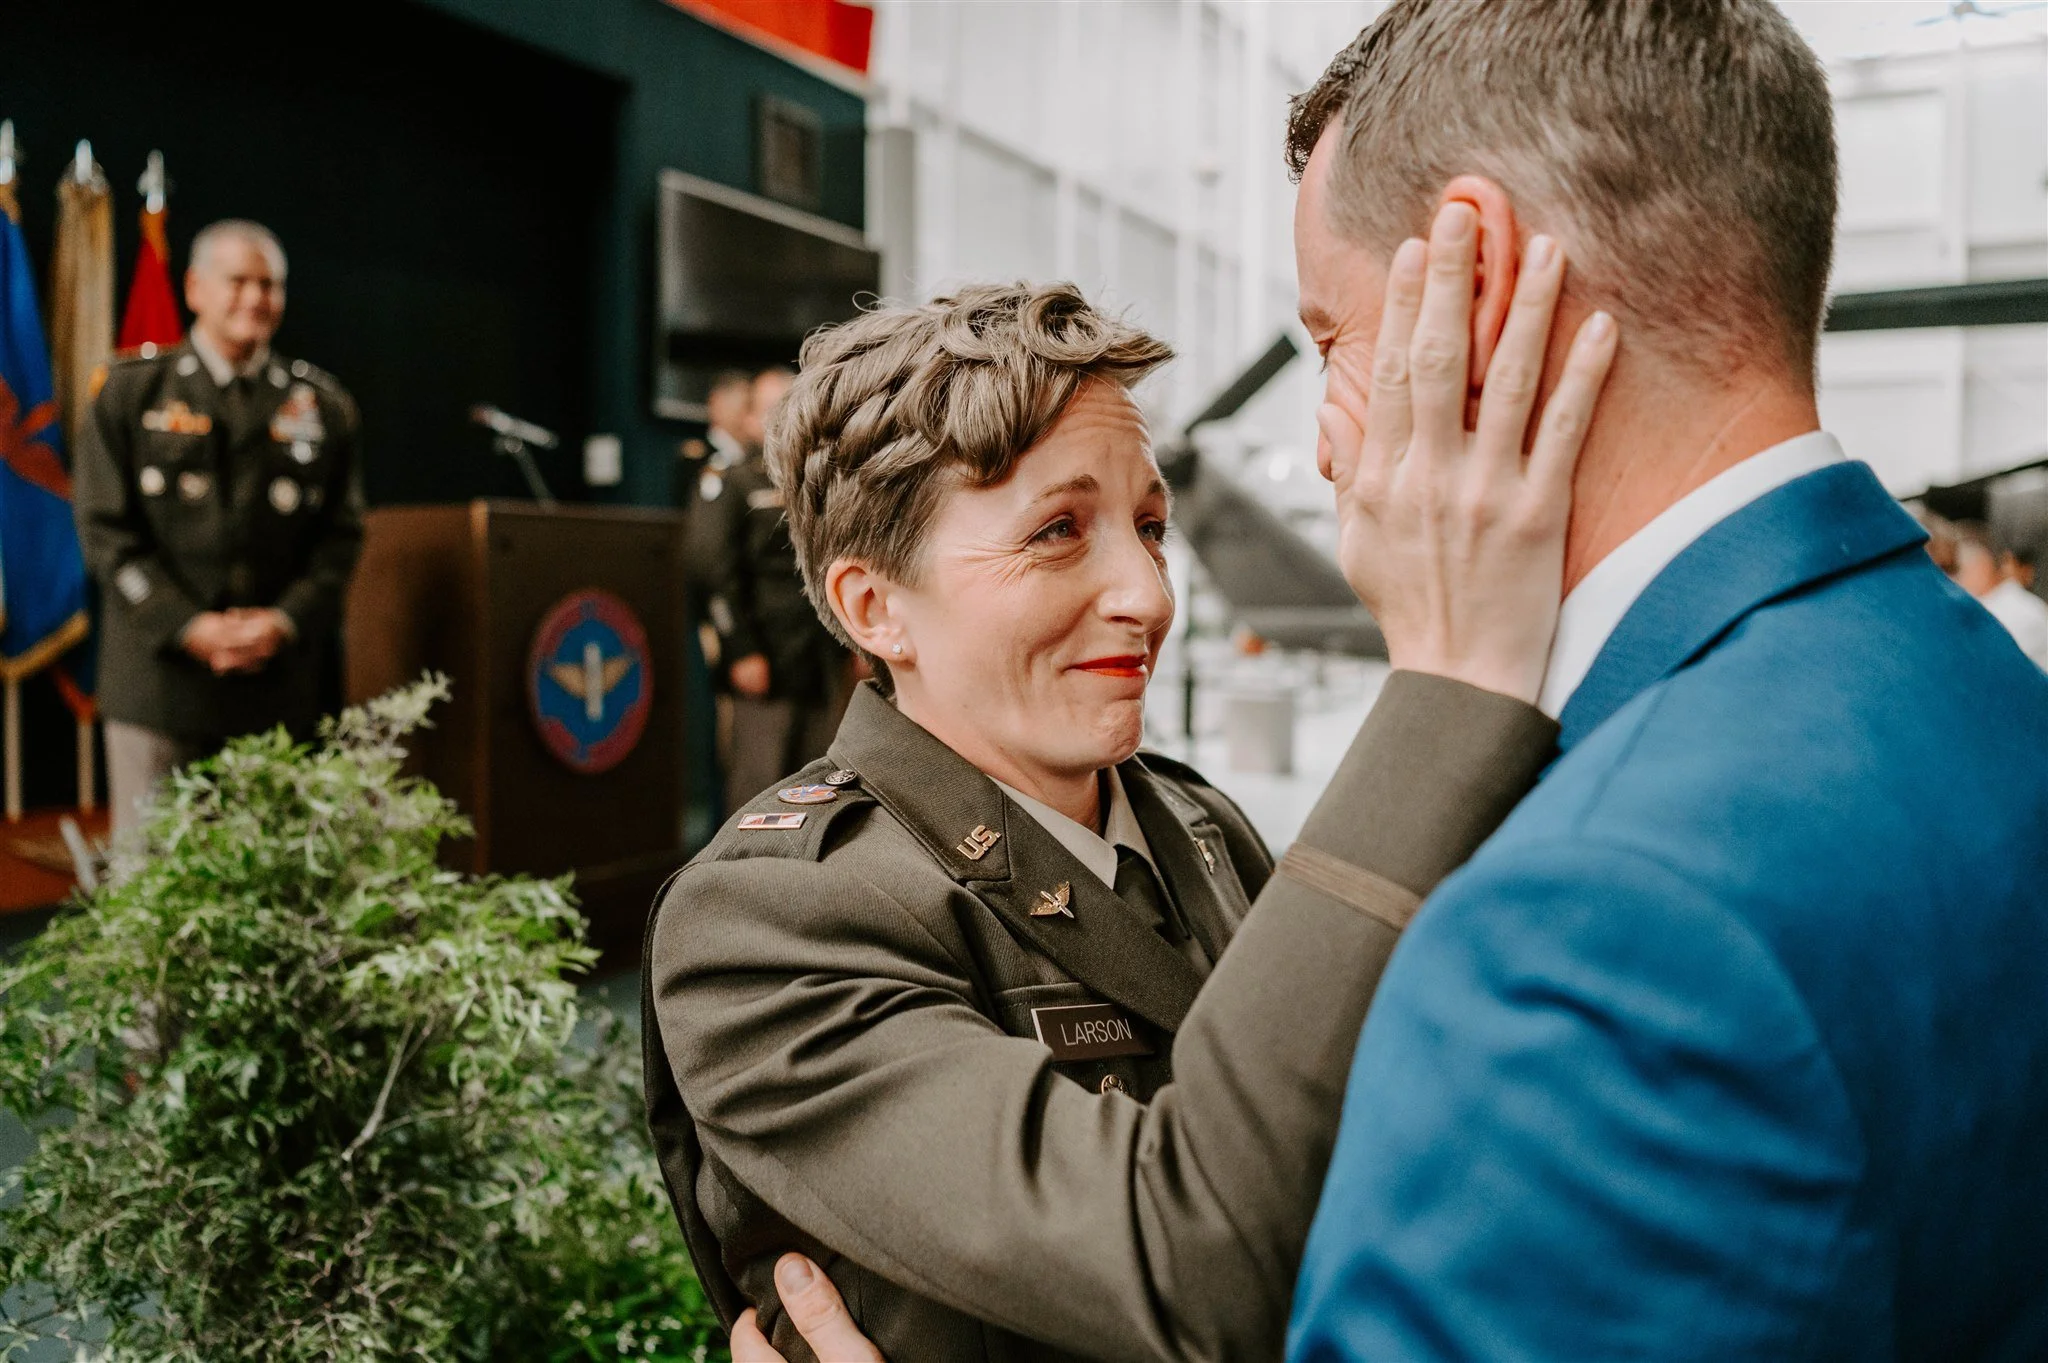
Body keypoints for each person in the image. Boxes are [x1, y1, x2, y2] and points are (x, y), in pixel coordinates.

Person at [643, 276, 1617, 1361]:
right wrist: (1449, 683)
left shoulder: (1196, 824)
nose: (1148, 595)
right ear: (876, 608)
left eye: (1148, 526)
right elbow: (1186, 1265)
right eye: (1056, 530)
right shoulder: (771, 917)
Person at [1277, 3, 2048, 1359]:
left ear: (1480, 287)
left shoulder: (1590, 927)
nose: (1325, 439)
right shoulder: (1983, 682)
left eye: (1330, 337)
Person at [73, 219, 363, 832]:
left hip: (278, 688)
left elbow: (340, 541)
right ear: (195, 288)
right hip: (160, 686)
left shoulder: (324, 407)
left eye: (270, 285)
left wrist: (283, 621)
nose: (256, 299)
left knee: (275, 887)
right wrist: (188, 625)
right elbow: (105, 533)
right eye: (239, 282)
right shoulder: (129, 393)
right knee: (153, 890)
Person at [693, 363, 852, 813]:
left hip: (819, 661)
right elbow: (711, 573)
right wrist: (740, 649)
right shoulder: (732, 481)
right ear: (750, 420)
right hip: (764, 659)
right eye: (771, 410)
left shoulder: (818, 481)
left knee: (820, 790)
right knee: (758, 790)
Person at [1950, 520, 2048, 668]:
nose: (1955, 579)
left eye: (1959, 569)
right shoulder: (1991, 605)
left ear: (1983, 565)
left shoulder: (2020, 609)